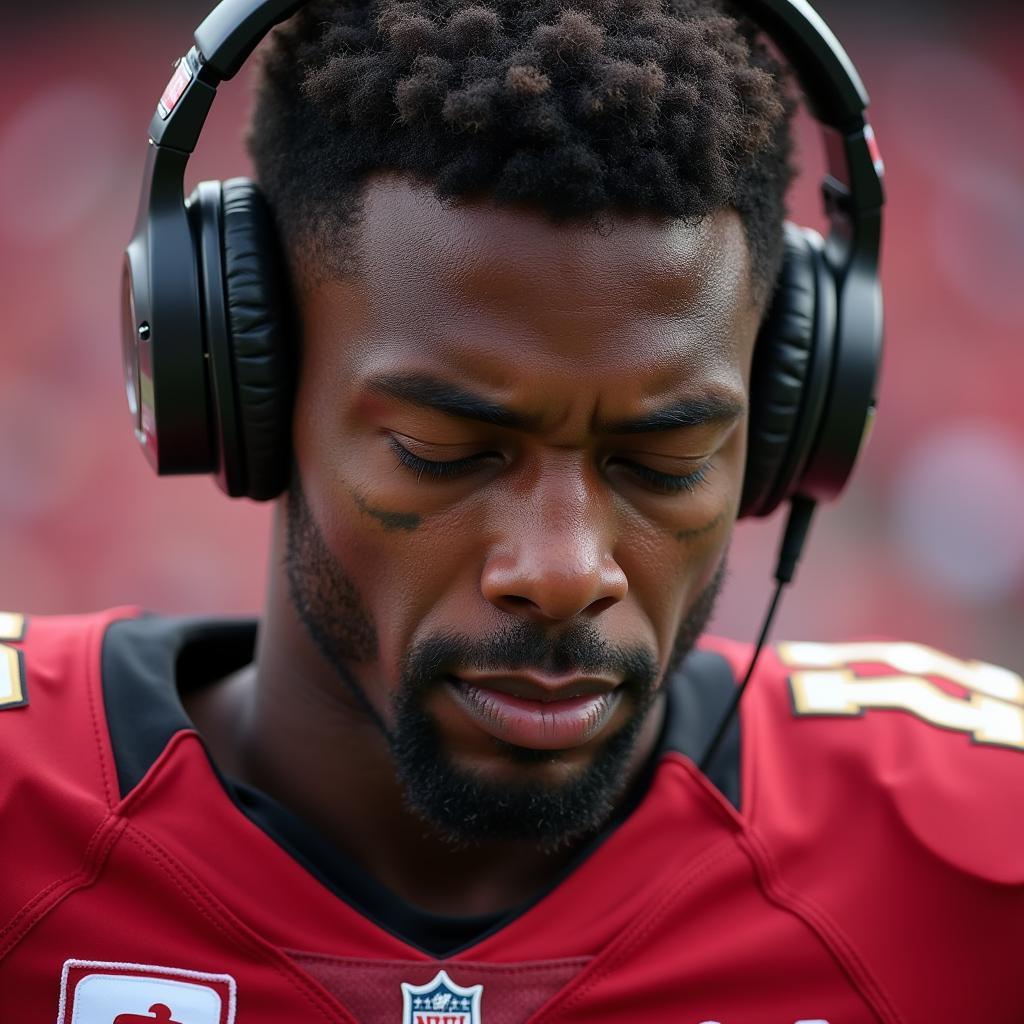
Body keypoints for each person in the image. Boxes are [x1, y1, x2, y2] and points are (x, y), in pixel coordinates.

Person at [3, 0, 1022, 1021]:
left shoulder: (963, 849)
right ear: (238, 386)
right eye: (444, 450)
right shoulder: (23, 820)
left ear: (793, 420)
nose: (564, 567)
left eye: (663, 460)